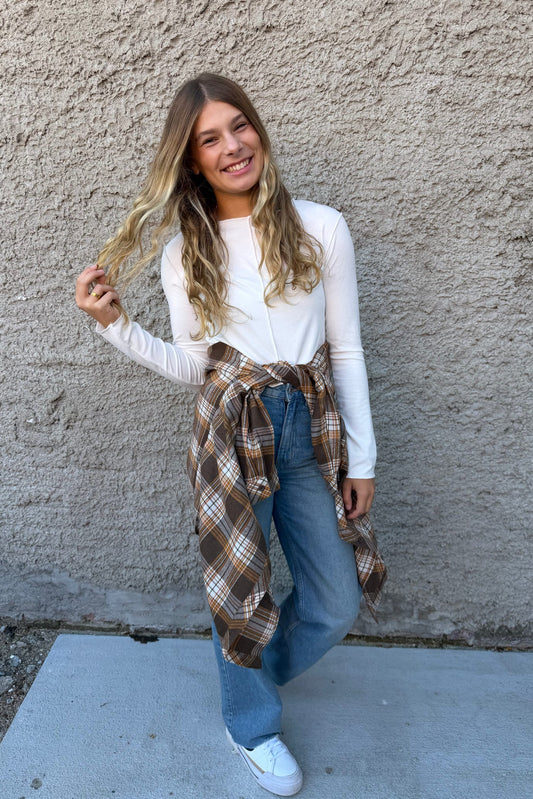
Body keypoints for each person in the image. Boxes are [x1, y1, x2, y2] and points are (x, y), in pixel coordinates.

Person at [75, 73, 387, 797]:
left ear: (257, 130)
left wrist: (361, 457)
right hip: (228, 429)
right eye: (208, 139)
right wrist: (115, 326)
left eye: (237, 126)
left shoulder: (321, 226)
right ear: (190, 161)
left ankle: (246, 674)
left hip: (310, 429)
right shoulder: (187, 251)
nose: (230, 146)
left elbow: (345, 351)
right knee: (241, 591)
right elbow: (195, 367)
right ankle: (250, 723)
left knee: (335, 601)